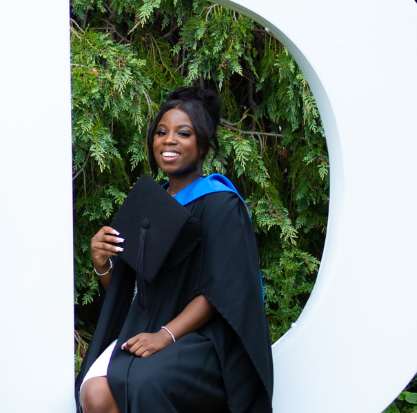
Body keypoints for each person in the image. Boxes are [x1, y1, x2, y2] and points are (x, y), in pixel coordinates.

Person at [76, 87, 274, 413]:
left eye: (183, 133)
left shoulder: (221, 203)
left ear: (203, 145)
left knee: (143, 383)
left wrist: (164, 336)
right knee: (94, 394)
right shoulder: (150, 206)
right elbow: (134, 296)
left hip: (204, 338)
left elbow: (221, 292)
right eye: (161, 132)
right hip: (149, 329)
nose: (169, 140)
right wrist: (103, 264)